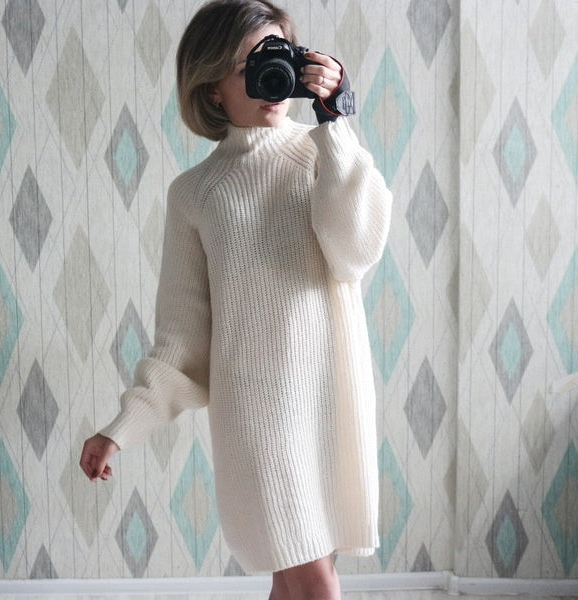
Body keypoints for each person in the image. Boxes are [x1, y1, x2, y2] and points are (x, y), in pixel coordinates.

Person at [80, 1, 392, 598]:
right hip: (257, 418)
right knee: (315, 581)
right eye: (250, 64)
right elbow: (182, 341)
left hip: (329, 404)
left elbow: (354, 251)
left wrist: (337, 121)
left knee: (294, 579)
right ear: (213, 88)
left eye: (281, 55)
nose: (271, 73)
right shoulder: (195, 194)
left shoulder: (325, 153)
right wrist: (122, 427)